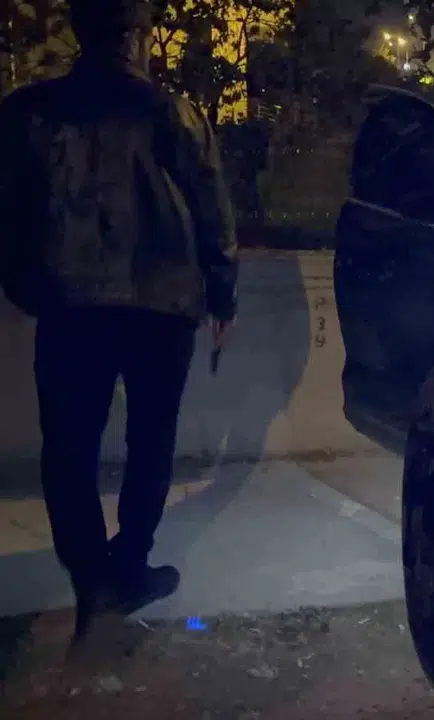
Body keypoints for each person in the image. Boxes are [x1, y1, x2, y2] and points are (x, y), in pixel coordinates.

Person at [0, 0, 237, 639]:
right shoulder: (172, 112)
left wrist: (26, 285)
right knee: (150, 442)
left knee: (69, 449)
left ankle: (93, 580)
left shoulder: (30, 113)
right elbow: (211, 207)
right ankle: (129, 565)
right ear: (137, 36)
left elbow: (8, 211)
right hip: (162, 304)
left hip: (71, 303)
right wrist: (222, 294)